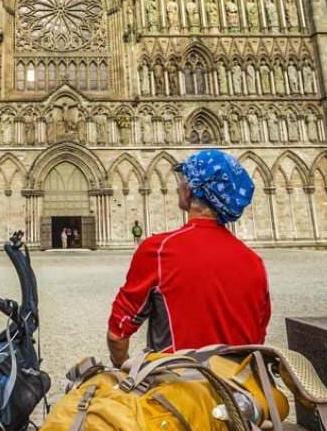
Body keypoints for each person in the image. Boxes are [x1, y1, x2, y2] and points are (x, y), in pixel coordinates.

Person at [107, 149, 270, 368]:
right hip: (240, 390)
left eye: (184, 180)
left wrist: (122, 368)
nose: (178, 186)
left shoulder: (159, 250)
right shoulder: (254, 262)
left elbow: (118, 333)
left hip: (177, 389)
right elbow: (257, 338)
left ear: (191, 190)